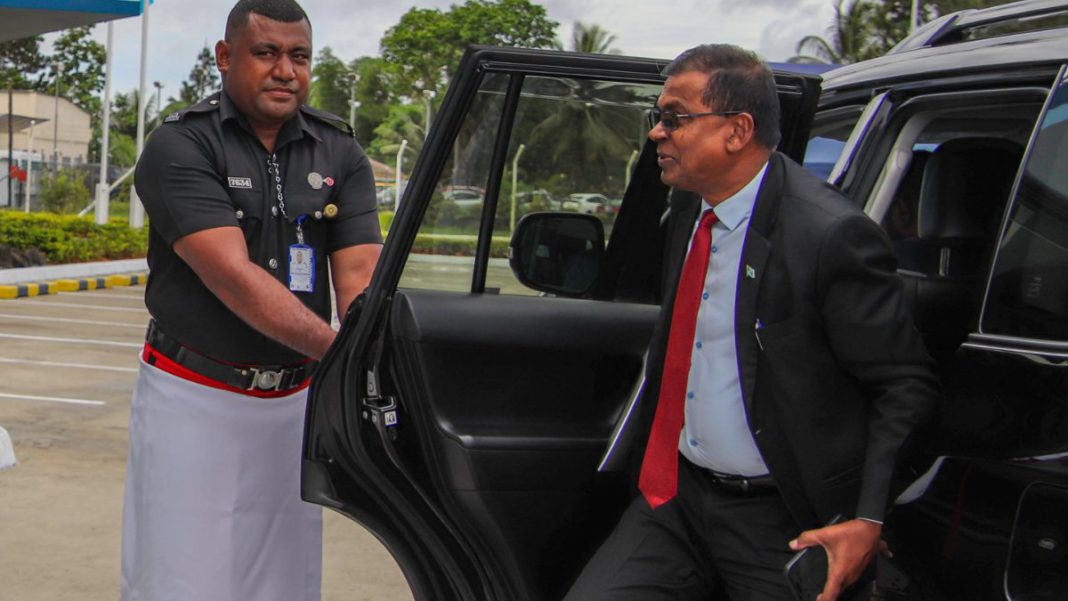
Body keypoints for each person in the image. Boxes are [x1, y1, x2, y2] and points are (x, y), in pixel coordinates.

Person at [564, 44, 939, 601]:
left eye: (674, 118)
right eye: (658, 117)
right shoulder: (688, 208)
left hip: (780, 519)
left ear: (737, 131)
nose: (657, 133)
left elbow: (905, 384)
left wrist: (867, 518)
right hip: (678, 499)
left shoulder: (829, 236)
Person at [120, 1, 382, 599]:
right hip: (193, 399)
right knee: (181, 579)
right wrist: (344, 355)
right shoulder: (181, 144)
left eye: (299, 56)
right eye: (266, 53)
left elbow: (361, 274)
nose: (285, 71)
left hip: (296, 405)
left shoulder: (338, 149)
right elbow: (234, 277)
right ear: (225, 56)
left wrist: (369, 354)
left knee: (283, 581)